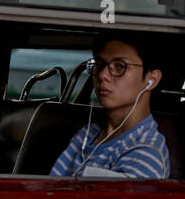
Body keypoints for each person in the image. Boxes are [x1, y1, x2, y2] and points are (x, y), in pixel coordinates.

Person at [50, 32, 170, 179]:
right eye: (100, 65)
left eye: (120, 66)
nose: (102, 75)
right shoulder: (88, 133)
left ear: (151, 80)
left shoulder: (145, 153)